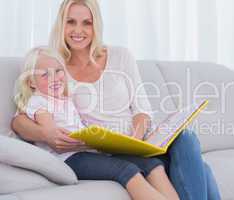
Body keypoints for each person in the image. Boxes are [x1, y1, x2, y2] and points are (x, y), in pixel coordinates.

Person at [11, 0, 221, 199]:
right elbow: (20, 119)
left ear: (96, 26)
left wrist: (137, 140)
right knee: (203, 171)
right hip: (108, 151)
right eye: (71, 22)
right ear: (61, 25)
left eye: (87, 23)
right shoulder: (55, 66)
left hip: (141, 143)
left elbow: (142, 109)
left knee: (187, 138)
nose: (78, 30)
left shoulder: (121, 56)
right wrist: (44, 133)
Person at [14, 46, 179, 200]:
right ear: (31, 83)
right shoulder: (39, 101)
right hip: (68, 158)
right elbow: (50, 130)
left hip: (87, 151)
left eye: (58, 71)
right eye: (45, 74)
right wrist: (63, 137)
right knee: (126, 170)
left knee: (152, 165)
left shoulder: (65, 99)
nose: (55, 78)